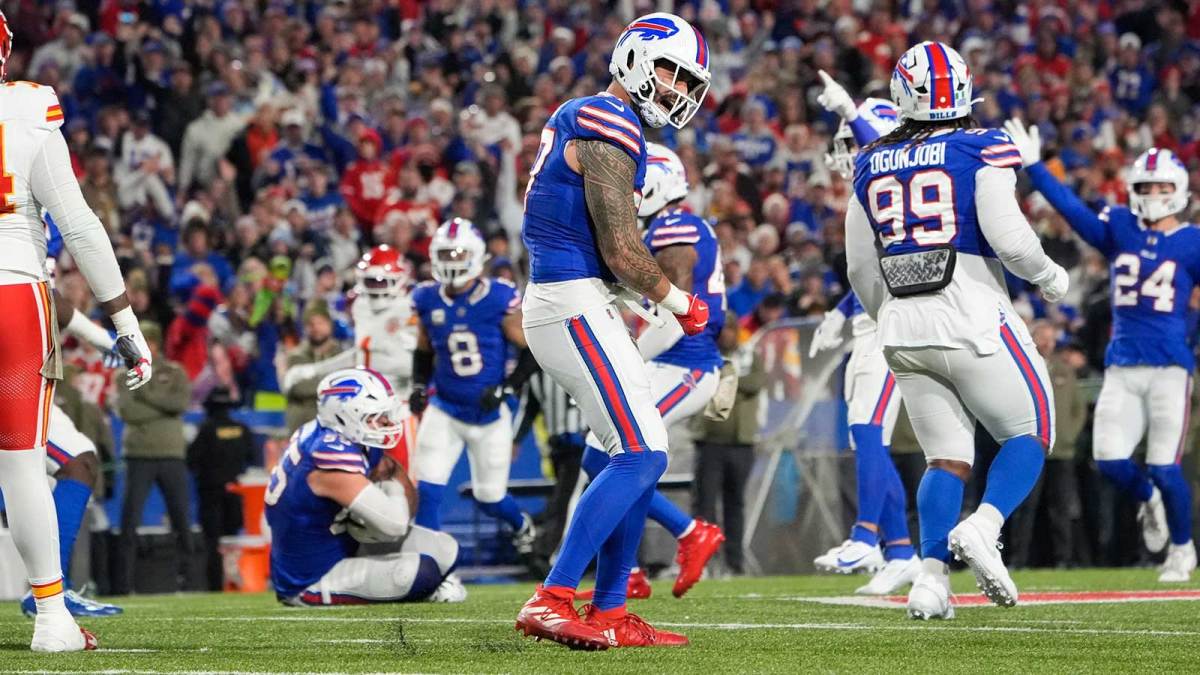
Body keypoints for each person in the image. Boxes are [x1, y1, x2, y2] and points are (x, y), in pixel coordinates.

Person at [844, 42, 1069, 620]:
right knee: (1032, 430)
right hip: (969, 312)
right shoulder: (980, 145)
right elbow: (1011, 240)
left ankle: (930, 583)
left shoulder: (868, 160)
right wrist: (1050, 278)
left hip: (900, 323)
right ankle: (984, 524)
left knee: (945, 457)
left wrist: (887, 317)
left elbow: (860, 267)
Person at [516, 13, 712, 649]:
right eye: (668, 71)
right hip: (568, 301)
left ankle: (608, 611)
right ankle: (553, 597)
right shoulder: (608, 117)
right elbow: (623, 247)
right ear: (634, 58)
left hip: (575, 297)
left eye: (687, 80)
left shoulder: (605, 119)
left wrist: (651, 294)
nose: (677, 89)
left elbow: (611, 253)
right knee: (642, 453)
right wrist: (679, 301)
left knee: (640, 452)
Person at [0, 10, 152, 652]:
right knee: (22, 463)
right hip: (12, 291)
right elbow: (82, 227)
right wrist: (124, 320)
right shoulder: (29, 109)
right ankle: (54, 619)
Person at [1004, 119, 1199, 582]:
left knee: (1165, 467)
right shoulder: (1120, 227)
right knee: (1110, 461)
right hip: (1122, 363)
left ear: (1178, 189)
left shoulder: (1192, 241)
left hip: (1171, 366)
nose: (1151, 192)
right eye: (1144, 184)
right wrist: (1036, 166)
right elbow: (1072, 210)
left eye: (1159, 185)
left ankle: (1183, 548)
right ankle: (1148, 501)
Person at [575, 143, 727, 601]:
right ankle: (631, 570)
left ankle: (687, 533)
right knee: (603, 455)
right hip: (668, 361)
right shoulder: (665, 225)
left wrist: (630, 352)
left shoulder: (675, 225)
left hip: (685, 364)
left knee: (617, 456)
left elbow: (677, 306)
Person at [808, 82, 920, 595]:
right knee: (864, 435)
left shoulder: (896, 176)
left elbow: (883, 149)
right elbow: (871, 271)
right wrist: (839, 311)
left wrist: (853, 112)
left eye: (855, 140)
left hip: (894, 323)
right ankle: (900, 553)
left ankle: (866, 536)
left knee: (868, 429)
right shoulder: (869, 197)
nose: (848, 153)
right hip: (871, 320)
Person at [409, 219, 539, 595]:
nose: (451, 260)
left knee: (489, 497)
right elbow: (422, 350)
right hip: (446, 408)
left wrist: (506, 389)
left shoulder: (498, 297)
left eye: (458, 253)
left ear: (477, 257)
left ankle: (521, 524)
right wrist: (420, 385)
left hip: (489, 416)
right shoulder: (427, 297)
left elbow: (529, 352)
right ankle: (430, 572)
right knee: (429, 489)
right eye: (445, 253)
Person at [265, 368, 459, 605]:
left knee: (446, 549)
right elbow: (395, 525)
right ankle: (309, 597)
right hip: (310, 577)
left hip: (343, 546)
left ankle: (426, 587)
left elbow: (402, 498)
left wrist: (388, 489)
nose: (387, 422)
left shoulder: (349, 435)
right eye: (376, 416)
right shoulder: (327, 455)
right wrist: (390, 489)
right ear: (344, 415)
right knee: (420, 572)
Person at [19, 292, 125, 618]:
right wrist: (105, 336)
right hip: (13, 379)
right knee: (74, 461)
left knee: (79, 461)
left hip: (23, 375)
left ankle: (50, 592)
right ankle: (48, 593)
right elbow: (45, 297)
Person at [114, 321, 193, 596]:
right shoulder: (123, 374)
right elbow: (127, 412)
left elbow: (180, 404)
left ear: (154, 343)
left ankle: (190, 582)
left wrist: (145, 395)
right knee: (129, 521)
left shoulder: (175, 371)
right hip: (138, 455)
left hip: (171, 454)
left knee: (181, 519)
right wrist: (162, 406)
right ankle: (124, 585)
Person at [692, 310, 760, 575]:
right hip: (710, 441)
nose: (727, 335)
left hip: (741, 442)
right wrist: (731, 381)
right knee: (705, 503)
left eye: (731, 329)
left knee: (735, 504)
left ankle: (734, 563)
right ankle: (706, 561)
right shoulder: (704, 355)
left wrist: (725, 378)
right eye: (723, 330)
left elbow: (756, 383)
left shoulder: (750, 354)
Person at [187, 387, 256, 591]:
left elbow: (191, 460)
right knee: (232, 538)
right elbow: (252, 458)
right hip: (235, 492)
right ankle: (233, 581)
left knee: (213, 542)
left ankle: (216, 585)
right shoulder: (241, 429)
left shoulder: (206, 429)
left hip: (211, 493)